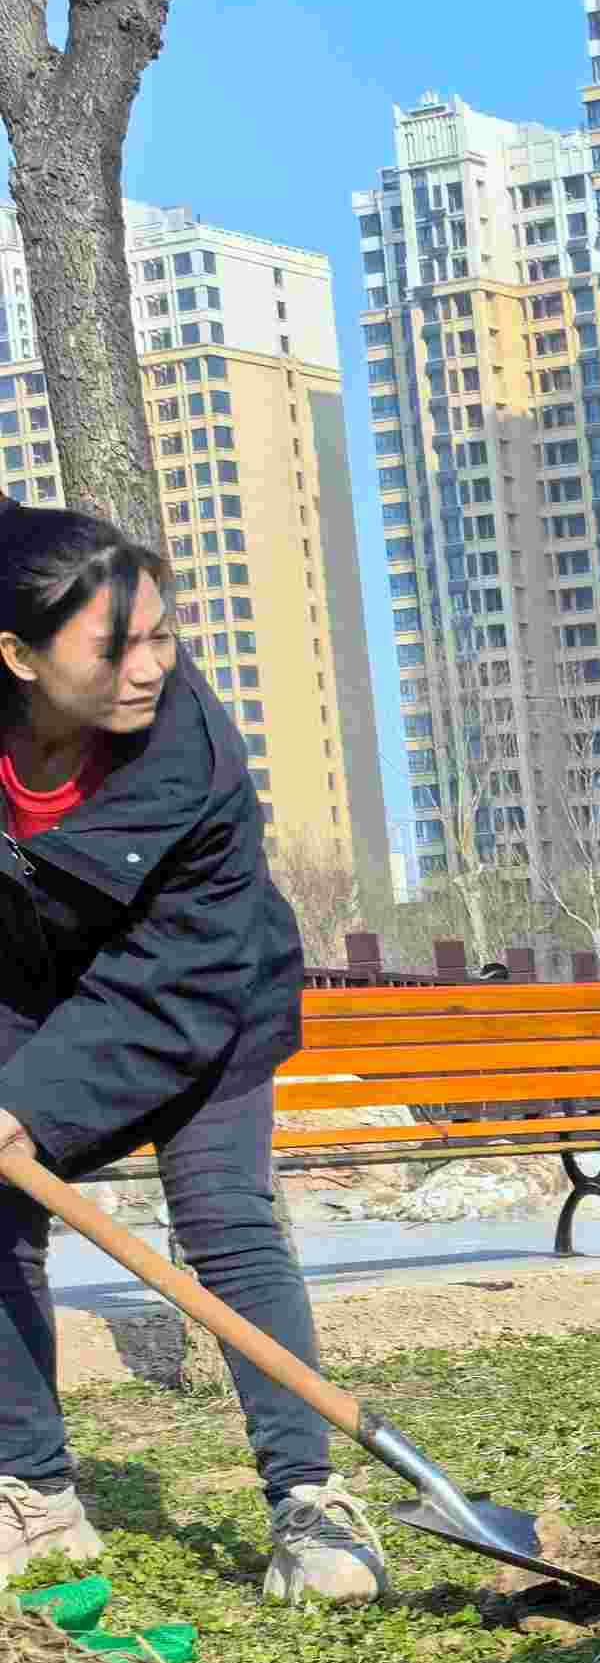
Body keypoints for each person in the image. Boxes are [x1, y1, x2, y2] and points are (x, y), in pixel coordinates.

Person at [0, 507, 390, 1602]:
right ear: (18, 657)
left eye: (163, 635)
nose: (150, 667)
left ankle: (312, 1503)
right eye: (114, 647)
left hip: (202, 980)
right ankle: (33, 1496)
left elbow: (180, 966)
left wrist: (26, 1101)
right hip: (22, 981)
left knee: (225, 1212)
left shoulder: (191, 757)